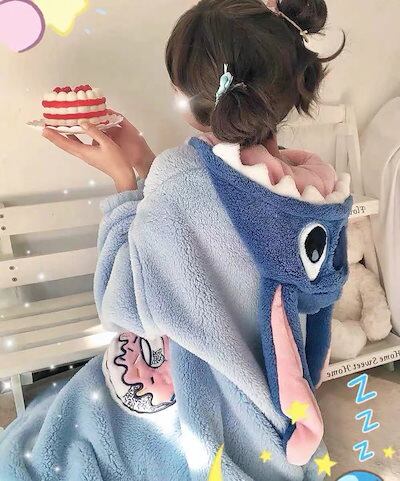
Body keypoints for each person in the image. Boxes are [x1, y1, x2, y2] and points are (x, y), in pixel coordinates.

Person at [0, 1, 351, 480]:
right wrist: (145, 159)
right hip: (264, 401)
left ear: (186, 92)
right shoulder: (312, 189)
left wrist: (124, 183)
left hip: (200, 399)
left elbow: (123, 304)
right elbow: (219, 242)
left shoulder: (180, 180)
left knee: (51, 440)